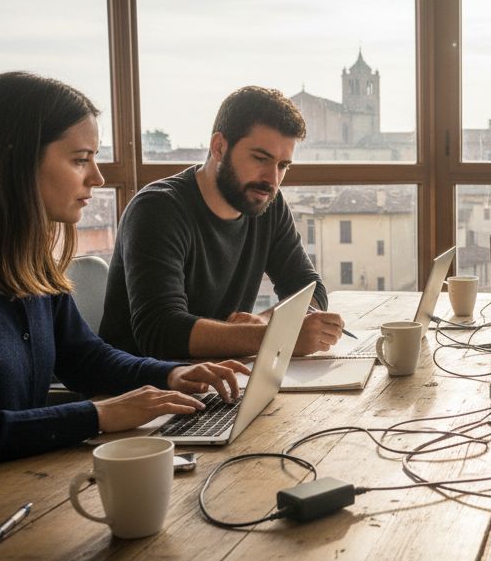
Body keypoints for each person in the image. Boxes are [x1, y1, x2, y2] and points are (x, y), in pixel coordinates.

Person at [0, 72, 247, 515]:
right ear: (14, 161)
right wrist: (97, 416)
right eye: (79, 159)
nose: (98, 177)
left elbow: (85, 357)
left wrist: (169, 375)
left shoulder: (27, 262)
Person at [100, 86, 342, 360]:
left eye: (283, 165)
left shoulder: (266, 203)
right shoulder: (157, 209)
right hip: (144, 390)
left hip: (220, 380)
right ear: (219, 147)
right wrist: (278, 336)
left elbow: (309, 288)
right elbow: (161, 332)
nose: (272, 179)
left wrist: (264, 321)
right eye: (261, 159)